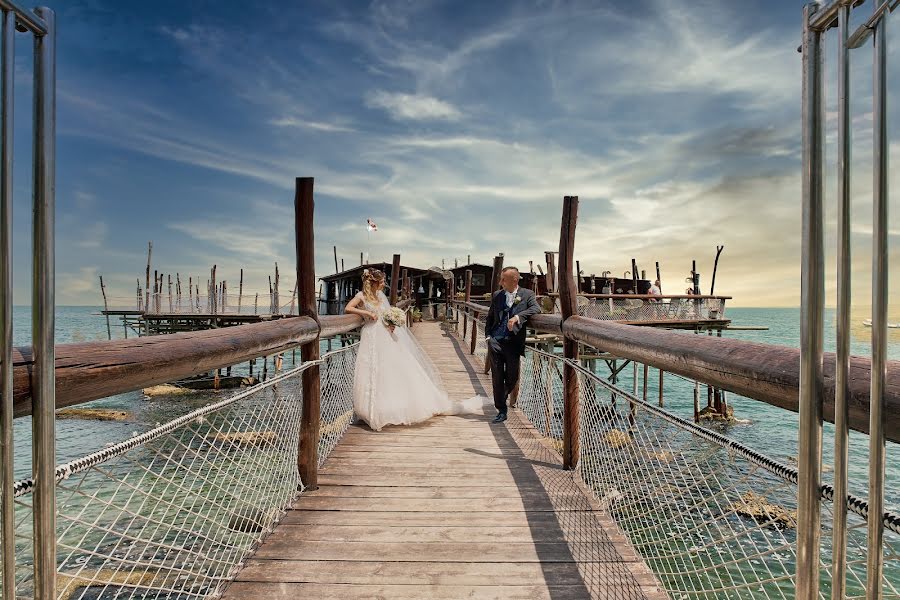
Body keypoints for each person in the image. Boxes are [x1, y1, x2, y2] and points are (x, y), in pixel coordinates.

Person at [345, 269, 479, 431]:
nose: (384, 284)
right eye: (381, 282)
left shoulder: (381, 296)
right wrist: (365, 312)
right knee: (372, 367)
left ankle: (390, 405)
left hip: (385, 332)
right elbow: (348, 308)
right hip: (371, 333)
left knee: (391, 367)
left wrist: (391, 322)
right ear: (373, 282)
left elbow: (386, 313)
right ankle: (371, 409)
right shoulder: (361, 295)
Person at [484, 267, 542, 423]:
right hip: (495, 340)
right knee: (497, 377)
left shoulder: (527, 294)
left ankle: (502, 396)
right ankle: (501, 410)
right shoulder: (497, 295)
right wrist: (488, 336)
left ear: (515, 279)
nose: (501, 282)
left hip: (513, 342)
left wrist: (517, 317)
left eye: (504, 279)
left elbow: (536, 308)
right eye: (501, 278)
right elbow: (490, 317)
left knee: (512, 377)